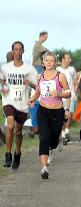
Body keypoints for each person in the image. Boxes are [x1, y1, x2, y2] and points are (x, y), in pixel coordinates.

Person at [28, 51, 70, 179]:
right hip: (43, 110)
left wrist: (59, 94)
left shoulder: (60, 76)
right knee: (43, 137)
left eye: (52, 61)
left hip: (57, 111)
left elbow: (68, 93)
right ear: (43, 62)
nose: (49, 63)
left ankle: (56, 143)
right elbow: (38, 92)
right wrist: (32, 99)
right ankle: (44, 167)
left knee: (53, 139)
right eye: (47, 61)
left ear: (55, 62)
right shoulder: (40, 77)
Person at [1, 41, 37, 169]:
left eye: (20, 49)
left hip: (22, 103)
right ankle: (8, 155)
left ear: (23, 51)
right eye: (15, 50)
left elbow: (37, 86)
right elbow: (2, 79)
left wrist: (30, 84)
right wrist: (3, 88)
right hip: (8, 101)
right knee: (10, 126)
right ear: (12, 51)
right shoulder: (6, 67)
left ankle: (18, 153)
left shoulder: (29, 69)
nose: (17, 52)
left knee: (18, 130)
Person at [57, 52, 76, 145]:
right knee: (61, 117)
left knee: (69, 115)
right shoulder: (57, 70)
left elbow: (74, 81)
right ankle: (63, 135)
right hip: (60, 97)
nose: (70, 60)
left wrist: (75, 93)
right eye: (68, 58)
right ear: (63, 59)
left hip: (70, 95)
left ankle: (67, 132)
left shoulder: (72, 69)